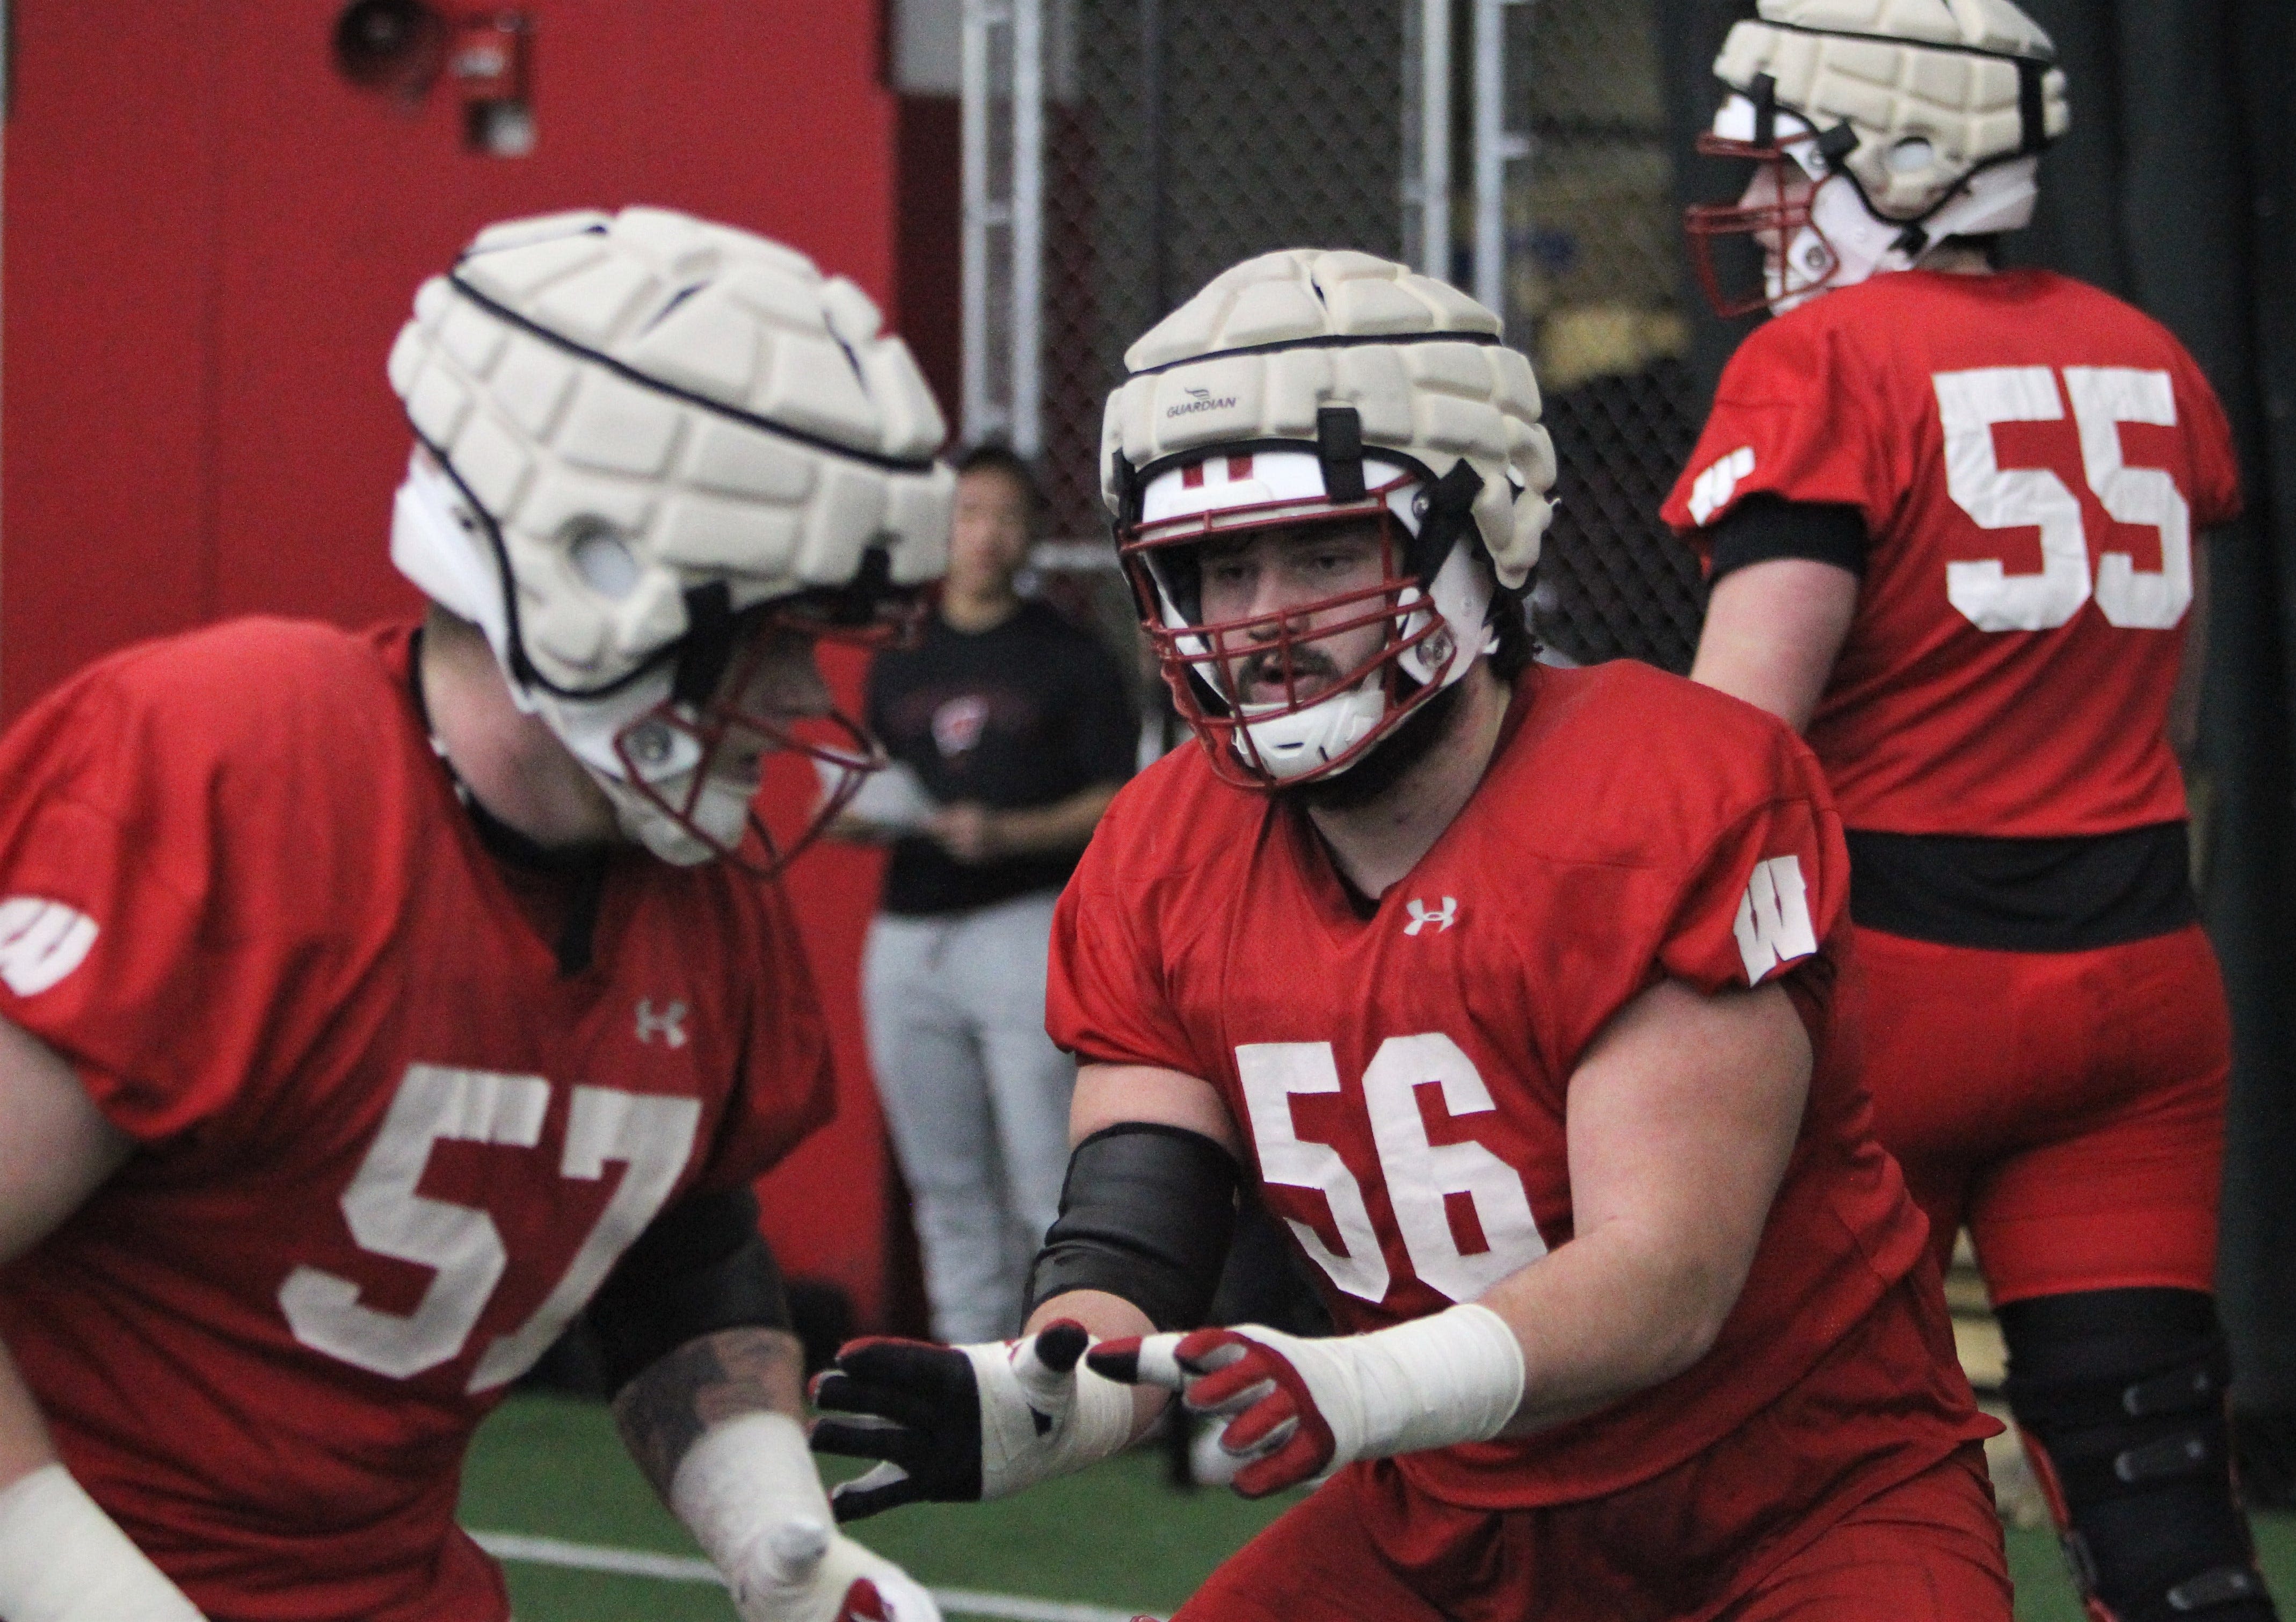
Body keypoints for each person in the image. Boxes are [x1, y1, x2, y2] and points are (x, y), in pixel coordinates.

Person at [809, 248, 2012, 1620]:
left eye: (1323, 549)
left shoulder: (1665, 788)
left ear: (1477, 533)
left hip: (1791, 1503)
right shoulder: (1159, 846)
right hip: (1452, 1510)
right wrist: (1050, 1399)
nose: (1263, 621)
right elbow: (1134, 1231)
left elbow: (1661, 1276)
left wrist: (1352, 1383)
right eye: (1216, 566)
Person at [0, 206, 952, 1622]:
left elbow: (682, 1249)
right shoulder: (246, 765)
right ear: (598, 577)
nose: (807, 702)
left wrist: (777, 1535)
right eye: (771, 635)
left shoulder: (696, 890)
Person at [1663, 4, 2270, 1619]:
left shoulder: (1821, 359)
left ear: (1911, 163)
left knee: (1790, 1473)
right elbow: (2181, 705)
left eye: (1788, 166)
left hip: (1895, 982)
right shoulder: (2148, 352)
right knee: (2153, 1496)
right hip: (2140, 966)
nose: (1764, 206)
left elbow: (1733, 740)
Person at [835, 444, 1133, 1344]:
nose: (984, 535)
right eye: (967, 514)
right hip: (909, 932)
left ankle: (1067, 1364)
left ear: (1033, 531)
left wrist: (1008, 834)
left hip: (1022, 925)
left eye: (1005, 515)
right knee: (944, 1175)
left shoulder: (1068, 654)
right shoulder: (901, 654)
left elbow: (1119, 798)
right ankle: (969, 1367)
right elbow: (859, 776)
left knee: (1044, 1165)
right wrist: (859, 815)